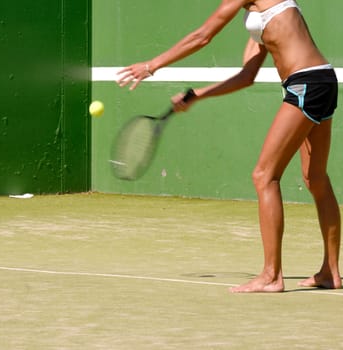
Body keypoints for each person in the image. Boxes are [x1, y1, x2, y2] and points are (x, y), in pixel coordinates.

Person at [117, 0, 341, 293]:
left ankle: (272, 276)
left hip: (304, 84)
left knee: (264, 176)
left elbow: (203, 35)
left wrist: (151, 65)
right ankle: (331, 273)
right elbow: (246, 76)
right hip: (322, 79)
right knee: (315, 179)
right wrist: (197, 95)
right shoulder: (259, 21)